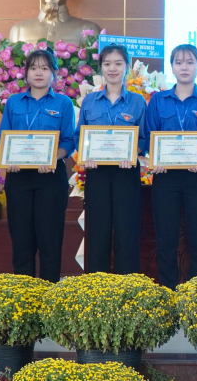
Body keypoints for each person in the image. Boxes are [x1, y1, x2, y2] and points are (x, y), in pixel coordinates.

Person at [142, 44, 197, 289]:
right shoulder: (158, 100)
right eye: (178, 62)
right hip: (165, 178)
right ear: (172, 67)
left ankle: (196, 294)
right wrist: (156, 159)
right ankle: (168, 293)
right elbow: (150, 134)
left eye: (189, 62)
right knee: (166, 241)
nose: (184, 67)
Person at [0, 49, 76, 282]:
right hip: (18, 177)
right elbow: (3, 137)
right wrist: (10, 159)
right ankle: (25, 294)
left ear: (54, 73)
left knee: (50, 241)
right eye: (33, 68)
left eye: (44, 68)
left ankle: (49, 294)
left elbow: (68, 141)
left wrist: (52, 158)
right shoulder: (13, 102)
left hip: (50, 177)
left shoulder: (63, 103)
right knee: (21, 241)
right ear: (26, 73)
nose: (38, 73)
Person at [75, 45, 146, 274]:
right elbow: (79, 136)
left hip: (127, 173)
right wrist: (86, 156)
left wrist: (133, 152)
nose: (112, 68)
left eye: (118, 63)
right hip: (97, 173)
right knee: (97, 233)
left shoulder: (138, 101)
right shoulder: (89, 101)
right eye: (107, 64)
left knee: (127, 232)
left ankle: (128, 286)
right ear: (101, 68)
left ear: (127, 67)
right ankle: (97, 287)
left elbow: (144, 138)